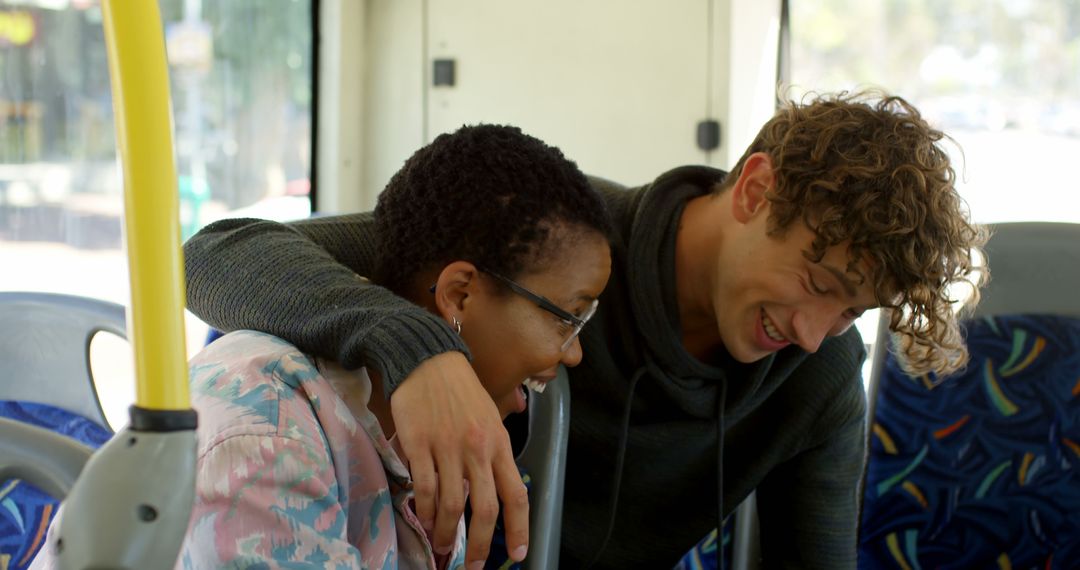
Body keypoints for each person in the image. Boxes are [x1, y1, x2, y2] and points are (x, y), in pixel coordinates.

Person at [181, 91, 987, 568]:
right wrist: (420, 349)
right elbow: (219, 255)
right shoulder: (557, 238)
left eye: (851, 313)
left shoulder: (816, 381)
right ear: (755, 190)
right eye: (819, 285)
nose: (817, 333)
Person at [32, 124, 613, 569]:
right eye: (569, 318)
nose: (573, 354)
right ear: (459, 294)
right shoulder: (268, 430)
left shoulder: (424, 434)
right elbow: (210, 251)